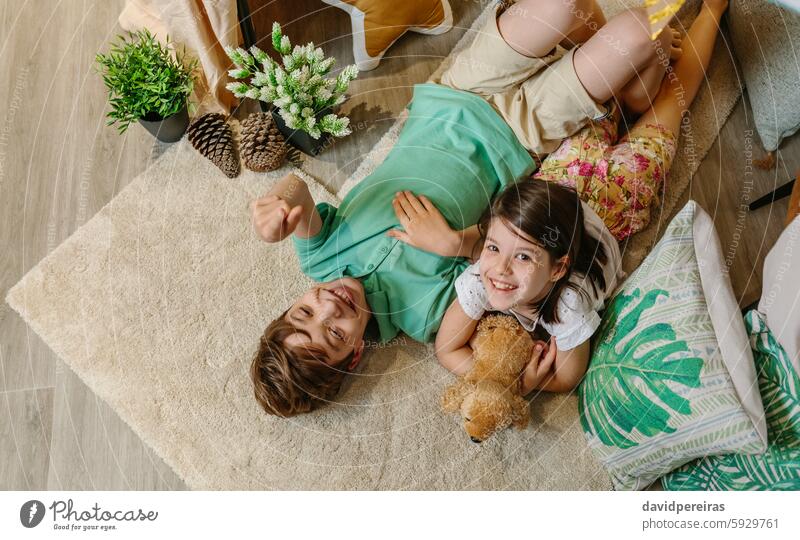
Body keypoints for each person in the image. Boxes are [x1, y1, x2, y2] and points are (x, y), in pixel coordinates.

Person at [249, 0, 686, 417]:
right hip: (522, 135)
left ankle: (592, 54)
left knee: (565, 8)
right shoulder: (423, 317)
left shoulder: (317, 256)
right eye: (335, 335)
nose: (330, 307)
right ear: (356, 353)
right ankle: (615, 77)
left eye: (305, 313)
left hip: (457, 93)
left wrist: (278, 206)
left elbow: (295, 188)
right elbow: (507, 269)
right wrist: (456, 244)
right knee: (640, 31)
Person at [390, 0, 729, 394]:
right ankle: (711, 12)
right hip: (620, 196)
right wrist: (514, 386)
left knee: (627, 97)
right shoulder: (566, 306)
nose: (498, 269)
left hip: (566, 174)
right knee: (670, 102)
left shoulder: (484, 282)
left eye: (514, 254)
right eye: (498, 251)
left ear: (553, 268)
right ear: (557, 269)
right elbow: (567, 377)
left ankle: (648, 59)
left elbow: (446, 348)